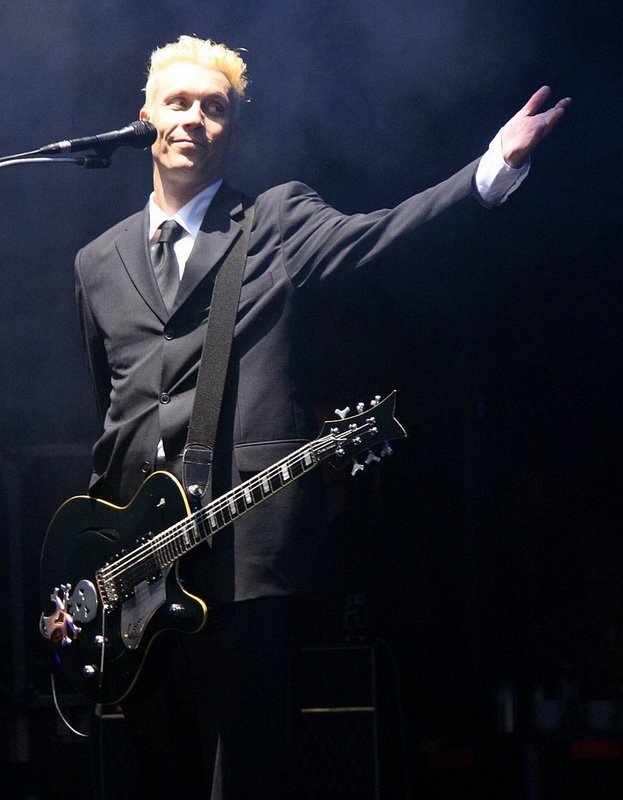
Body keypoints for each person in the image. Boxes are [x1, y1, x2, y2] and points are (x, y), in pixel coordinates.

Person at [74, 34, 570, 800]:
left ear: (232, 130)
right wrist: (85, 569)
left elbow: (379, 236)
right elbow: (110, 420)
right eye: (178, 103)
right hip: (137, 578)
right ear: (144, 119)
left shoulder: (272, 220)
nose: (194, 119)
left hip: (244, 561)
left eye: (214, 108)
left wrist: (490, 169)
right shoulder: (97, 262)